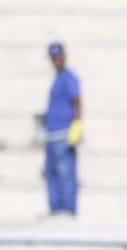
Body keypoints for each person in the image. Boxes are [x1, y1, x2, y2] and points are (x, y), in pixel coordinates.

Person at [42, 42, 82, 218]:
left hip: (64, 133)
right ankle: (55, 209)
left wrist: (77, 127)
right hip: (51, 134)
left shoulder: (69, 78)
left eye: (58, 57)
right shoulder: (56, 79)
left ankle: (67, 209)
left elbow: (77, 102)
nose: (56, 60)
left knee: (66, 172)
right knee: (51, 172)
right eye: (53, 57)